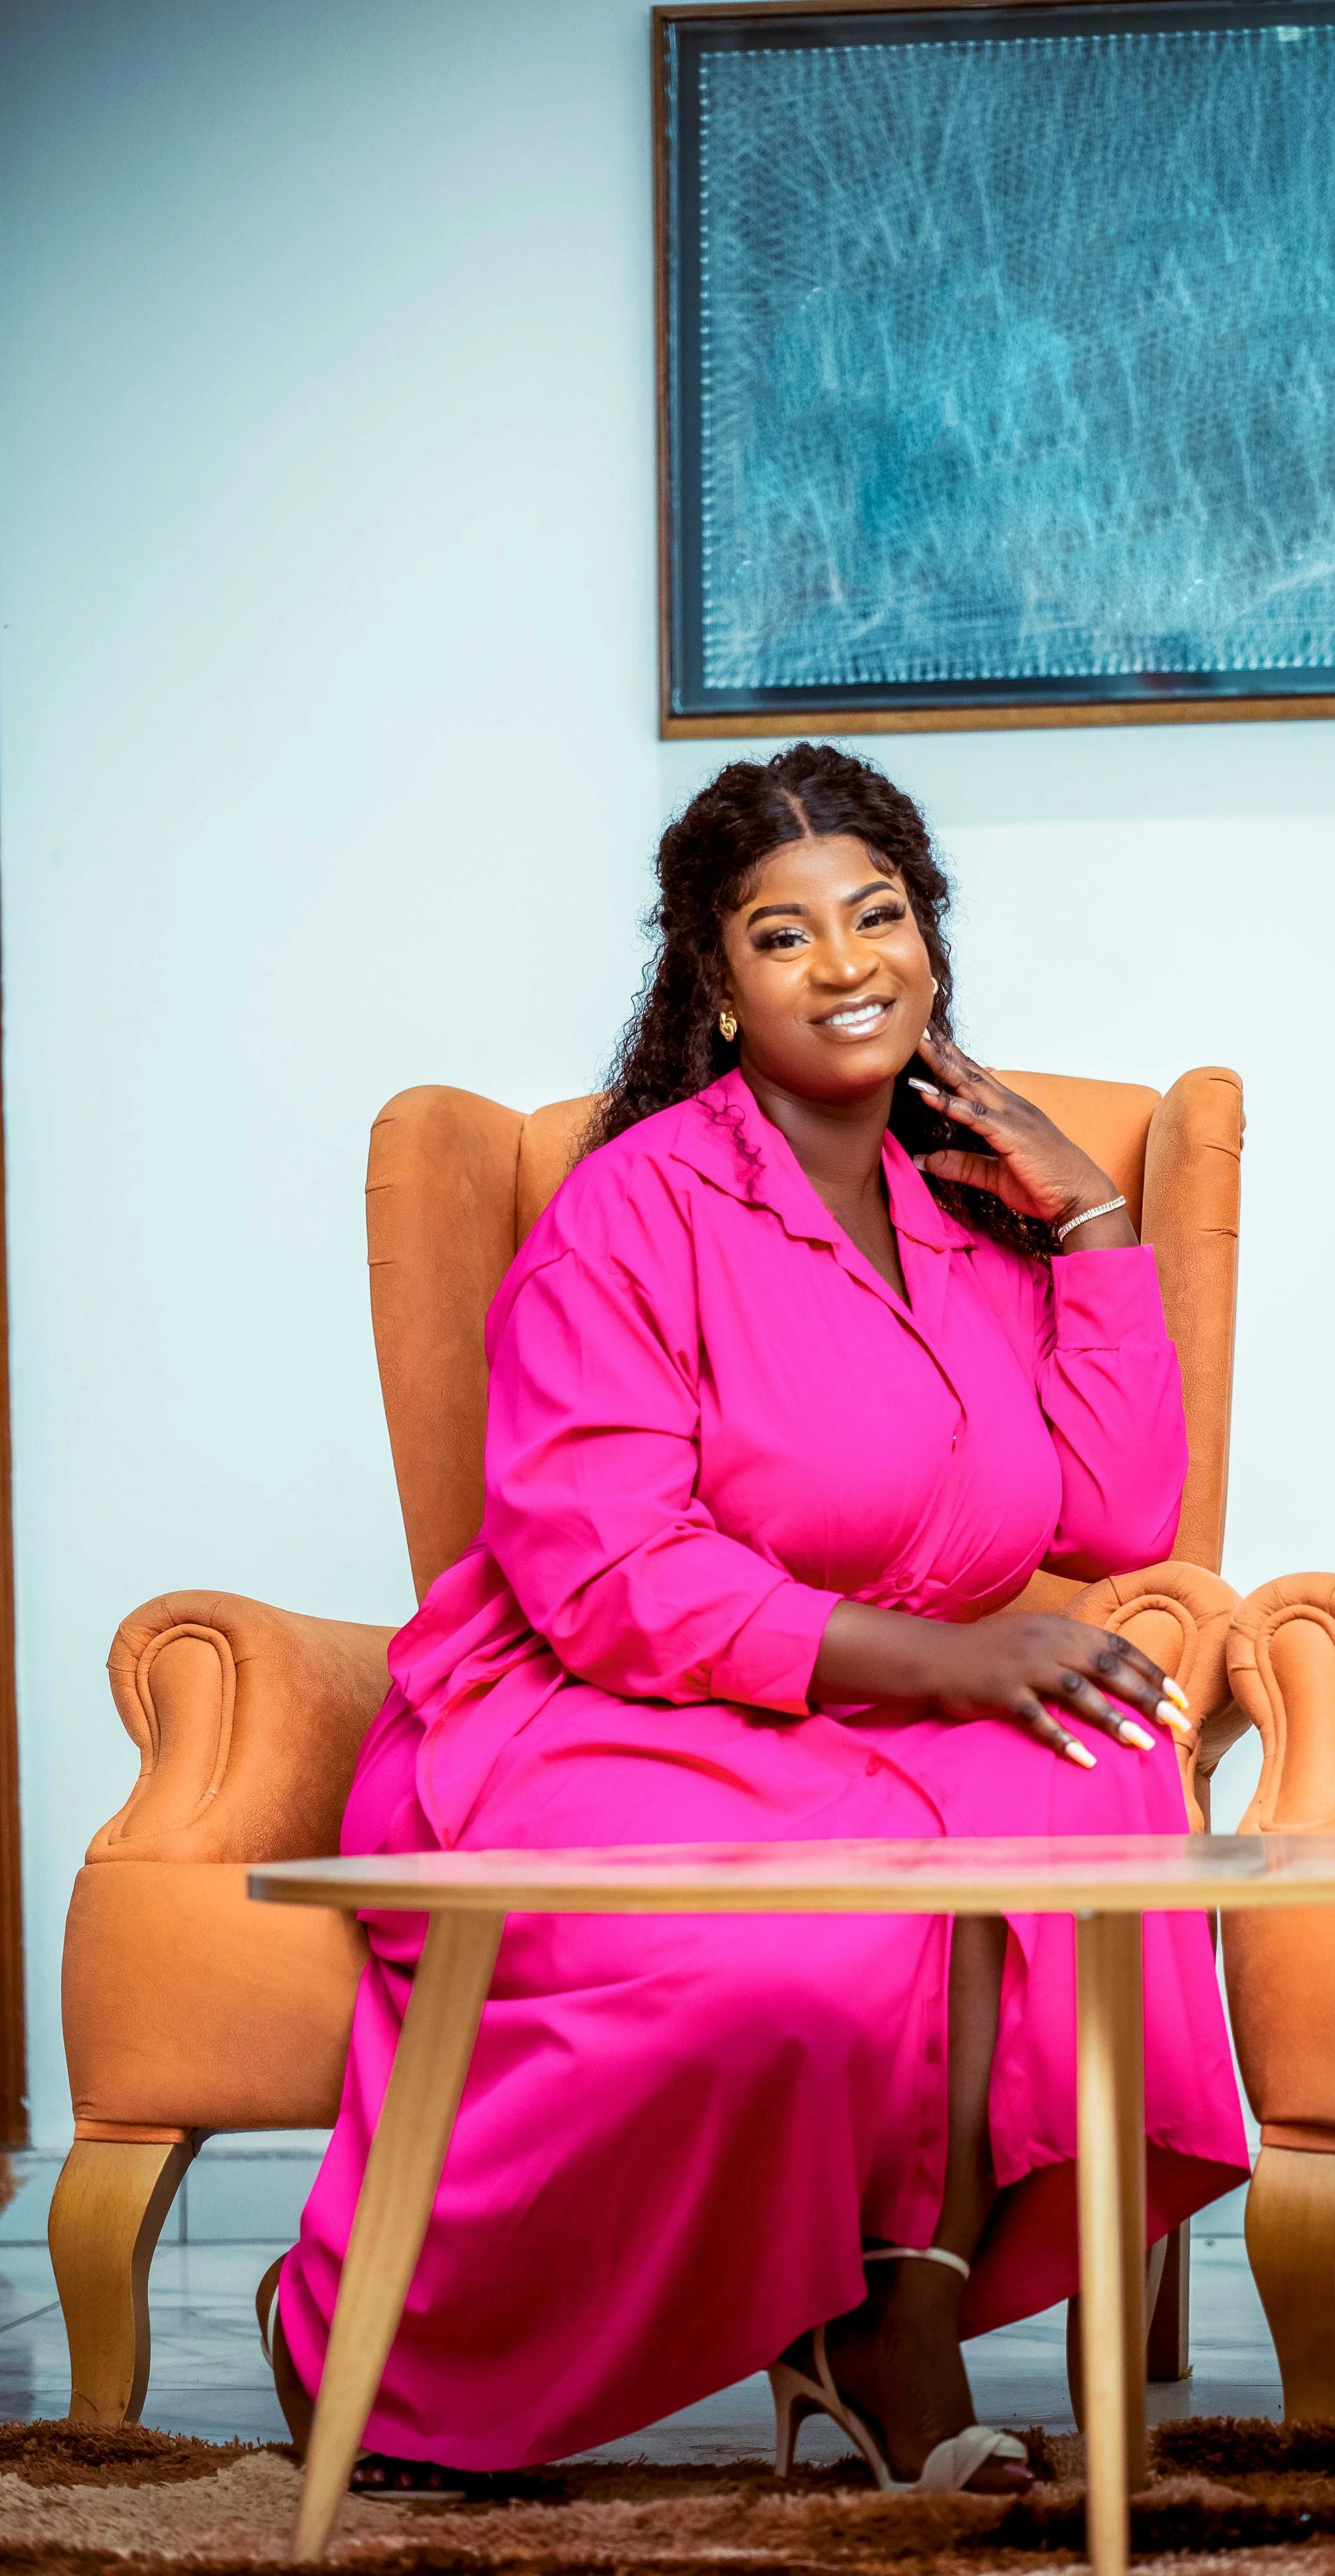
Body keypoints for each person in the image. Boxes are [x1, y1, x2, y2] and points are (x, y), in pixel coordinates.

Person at [269, 742, 1248, 2496]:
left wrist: (1092, 1224)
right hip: (607, 1703)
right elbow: (607, 1573)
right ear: (715, 986)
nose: (846, 963)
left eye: (877, 916)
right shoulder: (629, 1213)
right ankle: (370, 2331)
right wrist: (952, 1660)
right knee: (828, 1927)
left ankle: (898, 2323)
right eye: (783, 937)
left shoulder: (977, 1219)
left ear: (930, 946)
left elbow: (1110, 1518)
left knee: (1094, 1776)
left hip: (864, 1716)